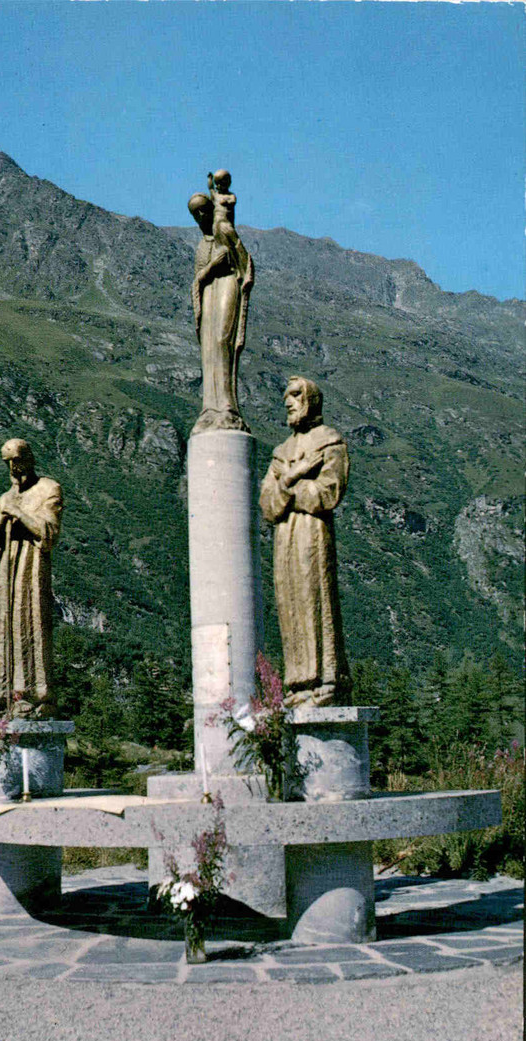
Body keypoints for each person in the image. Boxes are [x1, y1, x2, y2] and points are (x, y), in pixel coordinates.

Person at [259, 377, 351, 707]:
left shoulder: (329, 442)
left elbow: (327, 493)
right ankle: (298, 681)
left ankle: (328, 678)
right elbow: (268, 503)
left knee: (316, 596)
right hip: (285, 538)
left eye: (296, 395)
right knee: (290, 602)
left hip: (313, 534)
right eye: (286, 396)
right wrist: (294, 476)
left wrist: (286, 491)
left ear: (311, 400)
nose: (288, 401)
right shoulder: (281, 453)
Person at [0, 439, 62, 718]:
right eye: (7, 463)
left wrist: (18, 512)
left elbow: (49, 532)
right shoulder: (5, 497)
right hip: (9, 568)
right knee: (7, 623)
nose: (13, 468)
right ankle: (6, 693)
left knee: (31, 619)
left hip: (32, 564)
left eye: (16, 460)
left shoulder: (48, 489)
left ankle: (37, 693)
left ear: (28, 458)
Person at [188, 184, 254, 435]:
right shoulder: (202, 246)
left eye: (204, 210)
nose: (200, 217)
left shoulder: (223, 230)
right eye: (196, 214)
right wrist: (210, 267)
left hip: (227, 286)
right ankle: (210, 406)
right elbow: (198, 278)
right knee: (209, 348)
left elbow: (243, 261)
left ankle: (227, 404)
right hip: (208, 294)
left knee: (222, 340)